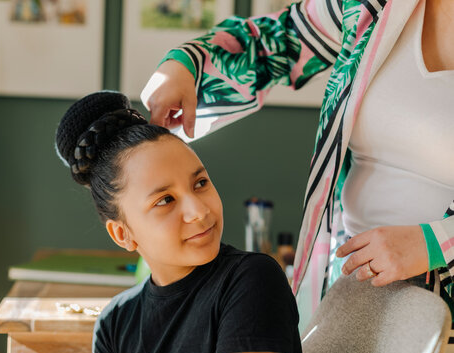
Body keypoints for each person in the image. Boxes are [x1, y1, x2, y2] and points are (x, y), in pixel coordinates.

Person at [141, 0, 454, 332]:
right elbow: (278, 40)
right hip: (352, 291)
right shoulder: (373, 6)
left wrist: (435, 243)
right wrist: (188, 65)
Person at [55, 91, 302, 353]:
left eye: (200, 183)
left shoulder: (252, 280)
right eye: (166, 200)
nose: (198, 211)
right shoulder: (114, 324)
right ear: (123, 234)